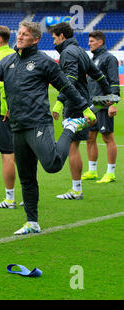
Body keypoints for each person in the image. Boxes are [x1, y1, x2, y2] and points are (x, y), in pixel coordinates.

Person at [0, 21, 96, 235]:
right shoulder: (8, 61)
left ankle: (69, 127)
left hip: (38, 123)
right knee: (27, 177)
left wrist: (85, 108)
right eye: (19, 33)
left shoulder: (44, 62)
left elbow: (66, 86)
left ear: (35, 39)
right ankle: (32, 222)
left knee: (52, 164)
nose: (20, 37)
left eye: (25, 34)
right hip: (17, 127)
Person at [50, 22, 112, 200]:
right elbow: (98, 75)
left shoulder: (68, 52)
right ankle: (77, 188)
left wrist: (60, 102)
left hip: (74, 103)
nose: (53, 43)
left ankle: (76, 189)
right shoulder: (80, 51)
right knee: (75, 145)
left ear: (62, 36)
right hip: (83, 101)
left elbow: (69, 79)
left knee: (72, 146)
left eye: (54, 38)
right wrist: (109, 93)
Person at [0, 25, 20, 209]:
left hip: (5, 113)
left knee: (7, 156)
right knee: (22, 155)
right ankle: (27, 194)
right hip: (22, 111)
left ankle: (9, 199)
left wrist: (8, 106)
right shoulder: (17, 54)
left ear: (0, 39)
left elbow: (3, 85)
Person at [81, 31, 120, 183]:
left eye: (92, 41)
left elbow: (114, 82)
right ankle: (92, 170)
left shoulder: (109, 58)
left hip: (103, 103)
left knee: (107, 137)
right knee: (90, 137)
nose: (89, 43)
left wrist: (112, 104)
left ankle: (110, 172)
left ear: (100, 42)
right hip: (92, 104)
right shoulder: (94, 59)